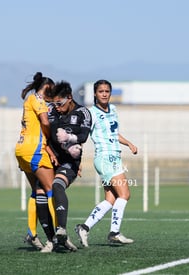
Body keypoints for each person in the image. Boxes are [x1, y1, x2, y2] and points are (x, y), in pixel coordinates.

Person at [75, 79, 138, 247]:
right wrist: (77, 159)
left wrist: (129, 143)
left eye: (107, 91)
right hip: (105, 158)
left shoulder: (113, 110)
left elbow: (114, 133)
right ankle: (114, 233)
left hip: (115, 157)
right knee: (124, 194)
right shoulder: (91, 113)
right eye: (101, 91)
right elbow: (82, 136)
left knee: (111, 199)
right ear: (95, 94)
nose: (104, 94)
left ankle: (84, 227)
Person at [46, 81, 92, 251]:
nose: (56, 107)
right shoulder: (52, 111)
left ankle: (61, 230)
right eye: (54, 103)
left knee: (58, 186)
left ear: (70, 98)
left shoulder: (83, 112)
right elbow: (47, 131)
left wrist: (70, 140)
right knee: (41, 196)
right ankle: (45, 238)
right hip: (50, 157)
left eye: (59, 103)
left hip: (69, 161)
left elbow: (84, 135)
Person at [15, 72, 57, 253]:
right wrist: (52, 139)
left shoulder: (29, 101)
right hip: (34, 151)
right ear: (46, 89)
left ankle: (32, 233)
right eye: (52, 92)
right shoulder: (38, 100)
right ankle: (58, 235)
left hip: (22, 149)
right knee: (52, 190)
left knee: (37, 192)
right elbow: (45, 123)